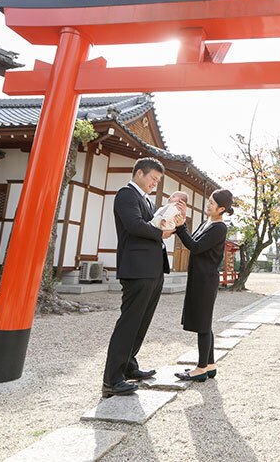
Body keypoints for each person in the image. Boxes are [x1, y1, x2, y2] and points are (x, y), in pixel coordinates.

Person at [102, 157, 175, 397]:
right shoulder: (126, 195)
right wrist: (160, 232)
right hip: (136, 268)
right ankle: (112, 379)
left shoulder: (146, 200)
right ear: (139, 173)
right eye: (153, 178)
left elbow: (150, 223)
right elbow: (134, 225)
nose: (155, 183)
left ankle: (129, 366)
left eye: (157, 180)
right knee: (129, 322)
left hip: (151, 268)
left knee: (142, 321)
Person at [173, 189, 234, 382]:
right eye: (208, 201)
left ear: (221, 208)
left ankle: (200, 369)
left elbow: (196, 247)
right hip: (199, 278)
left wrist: (181, 227)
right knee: (204, 323)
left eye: (212, 203)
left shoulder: (219, 228)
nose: (208, 205)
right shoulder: (206, 222)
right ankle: (210, 365)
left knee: (203, 324)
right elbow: (194, 242)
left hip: (206, 280)